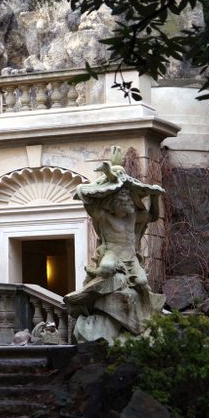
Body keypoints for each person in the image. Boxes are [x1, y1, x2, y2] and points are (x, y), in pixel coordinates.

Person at [66, 145, 166, 344]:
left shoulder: (134, 217)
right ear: (113, 203)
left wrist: (154, 196)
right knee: (106, 267)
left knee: (143, 283)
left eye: (128, 201)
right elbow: (85, 198)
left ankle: (148, 313)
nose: (127, 204)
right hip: (112, 252)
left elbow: (153, 216)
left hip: (130, 256)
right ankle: (89, 294)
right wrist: (105, 177)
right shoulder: (104, 217)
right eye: (122, 201)